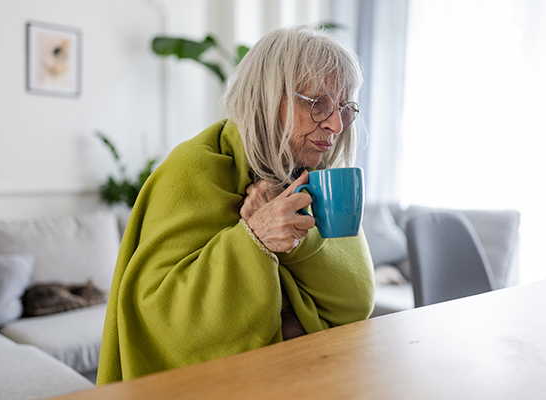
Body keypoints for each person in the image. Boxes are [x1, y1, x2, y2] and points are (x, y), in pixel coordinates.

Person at [97, 25, 375, 384]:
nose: (336, 124)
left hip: (309, 374)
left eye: (344, 108)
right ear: (268, 97)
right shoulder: (193, 167)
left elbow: (357, 302)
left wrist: (291, 233)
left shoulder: (317, 176)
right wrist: (254, 238)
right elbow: (163, 317)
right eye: (319, 104)